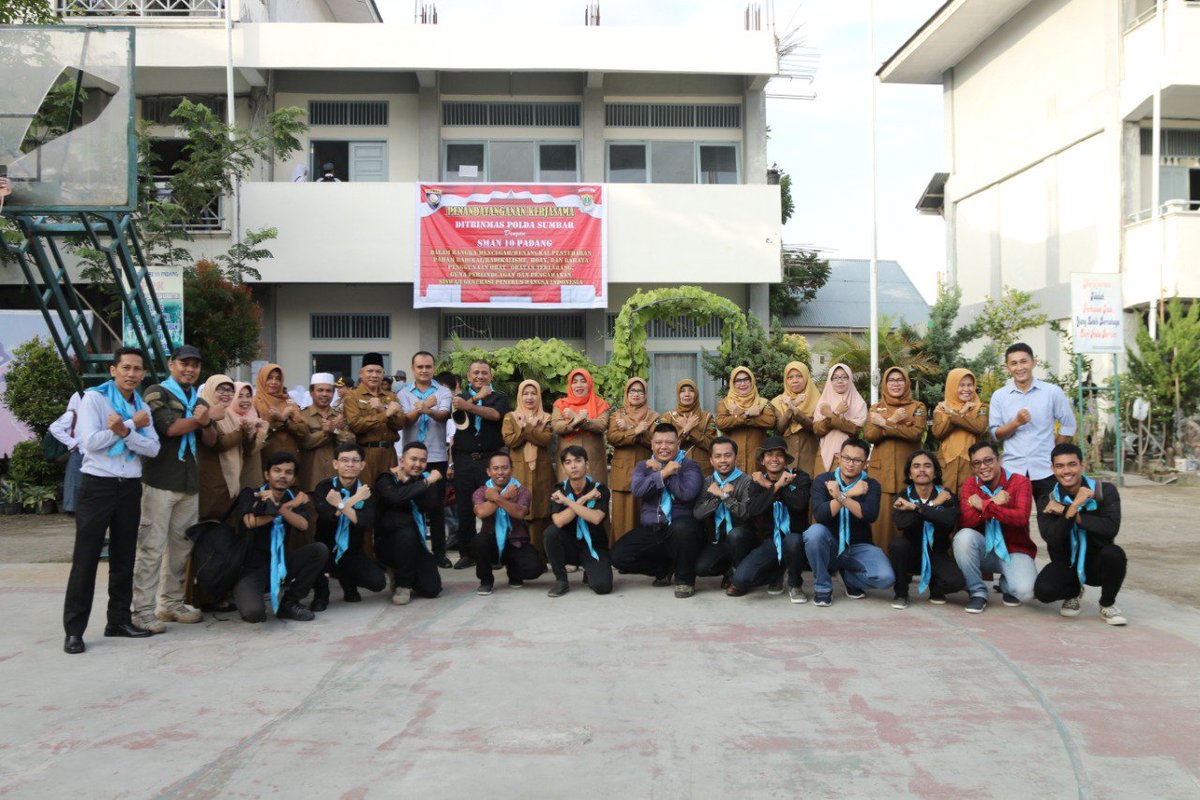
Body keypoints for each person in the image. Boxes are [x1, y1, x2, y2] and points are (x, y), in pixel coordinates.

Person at [62, 348, 161, 654]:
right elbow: (89, 443)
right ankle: (74, 631)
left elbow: (153, 448)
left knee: (123, 558)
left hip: (129, 487)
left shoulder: (142, 406)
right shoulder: (95, 398)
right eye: (126, 368)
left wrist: (124, 430)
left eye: (137, 369)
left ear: (144, 373)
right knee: (86, 559)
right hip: (98, 486)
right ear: (113, 369)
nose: (132, 374)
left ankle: (117, 621)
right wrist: (130, 426)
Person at [132, 344, 217, 633]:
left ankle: (171, 603)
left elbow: (210, 440)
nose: (190, 369)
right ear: (171, 364)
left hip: (189, 482)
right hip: (160, 480)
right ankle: (142, 610)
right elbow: (167, 428)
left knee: (181, 547)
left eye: (195, 364)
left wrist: (207, 423)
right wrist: (201, 419)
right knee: (151, 548)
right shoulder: (157, 391)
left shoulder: (197, 396)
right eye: (185, 363)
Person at [1033, 443, 1128, 625]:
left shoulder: (1104, 491)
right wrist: (1074, 506)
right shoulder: (1047, 499)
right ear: (1053, 469)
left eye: (1072, 464)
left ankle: (1107, 604)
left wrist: (1069, 512)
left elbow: (1109, 528)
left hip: (1097, 563)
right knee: (1043, 591)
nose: (1066, 471)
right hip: (1067, 564)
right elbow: (1051, 538)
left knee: (1115, 554)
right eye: (1060, 466)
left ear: (1082, 465)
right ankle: (1073, 592)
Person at [609, 423, 704, 598]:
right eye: (659, 442)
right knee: (618, 555)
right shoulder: (644, 466)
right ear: (652, 444)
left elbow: (687, 494)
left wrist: (668, 473)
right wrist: (662, 474)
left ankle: (685, 580)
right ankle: (664, 569)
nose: (663, 447)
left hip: (681, 529)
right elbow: (638, 490)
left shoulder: (691, 465)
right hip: (654, 528)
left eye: (669, 442)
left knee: (683, 529)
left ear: (678, 444)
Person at [232, 451, 327, 623]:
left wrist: (281, 508)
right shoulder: (251, 493)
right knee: (254, 614)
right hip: (251, 570)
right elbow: (251, 522)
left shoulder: (291, 497)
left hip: (280, 566)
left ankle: (290, 603)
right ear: (267, 474)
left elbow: (303, 525)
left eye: (288, 472)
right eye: (277, 471)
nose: (282, 476)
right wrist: (281, 508)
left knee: (319, 550)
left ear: (294, 478)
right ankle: (242, 592)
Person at [799, 437, 894, 607]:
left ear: (866, 463)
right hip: (830, 545)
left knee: (886, 578)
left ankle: (849, 578)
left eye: (857, 460)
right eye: (847, 458)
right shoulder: (823, 480)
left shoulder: (870, 485)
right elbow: (821, 515)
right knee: (814, 533)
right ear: (838, 457)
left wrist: (840, 495)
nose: (851, 464)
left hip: (859, 546)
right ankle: (822, 587)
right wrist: (849, 494)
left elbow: (869, 515)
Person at [953, 440, 1038, 613]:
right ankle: (977, 592)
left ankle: (1007, 583)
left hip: (1014, 550)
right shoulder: (970, 484)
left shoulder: (1020, 482)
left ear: (999, 460)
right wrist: (993, 502)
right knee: (963, 537)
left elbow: (1020, 518)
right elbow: (967, 521)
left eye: (988, 460)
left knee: (1026, 592)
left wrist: (984, 505)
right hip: (985, 550)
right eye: (977, 463)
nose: (983, 467)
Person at [726, 436, 812, 601]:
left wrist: (771, 485)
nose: (774, 459)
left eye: (779, 455)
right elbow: (753, 510)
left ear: (786, 460)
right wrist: (776, 486)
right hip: (770, 541)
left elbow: (799, 504)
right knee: (741, 579)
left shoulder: (799, 477)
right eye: (769, 454)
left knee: (793, 540)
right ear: (763, 460)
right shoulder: (756, 482)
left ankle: (795, 583)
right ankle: (776, 574)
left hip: (795, 539)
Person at [989, 343, 1076, 500]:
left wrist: (1055, 451)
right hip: (1012, 471)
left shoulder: (1052, 391)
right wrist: (1015, 423)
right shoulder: (999, 396)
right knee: (1014, 522)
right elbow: (995, 434)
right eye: (1014, 363)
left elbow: (1069, 424)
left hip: (1046, 469)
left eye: (1024, 361)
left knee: (1050, 520)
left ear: (1033, 362)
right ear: (1007, 367)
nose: (1019, 367)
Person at [309, 442, 386, 610]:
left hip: (352, 551)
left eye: (355, 460)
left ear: (362, 465)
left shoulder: (366, 491)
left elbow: (366, 523)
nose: (350, 465)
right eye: (344, 460)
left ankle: (346, 579)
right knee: (317, 557)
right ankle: (321, 594)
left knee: (378, 582)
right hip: (325, 549)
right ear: (335, 464)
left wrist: (340, 505)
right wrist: (354, 500)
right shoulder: (324, 487)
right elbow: (328, 517)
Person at [887, 449, 965, 609]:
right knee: (897, 545)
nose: (922, 470)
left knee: (957, 582)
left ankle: (936, 586)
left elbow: (948, 521)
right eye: (916, 466)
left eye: (927, 466)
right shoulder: (903, 496)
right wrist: (934, 505)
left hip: (937, 552)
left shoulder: (946, 495)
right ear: (910, 474)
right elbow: (903, 523)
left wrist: (915, 508)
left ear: (935, 472)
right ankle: (901, 593)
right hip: (910, 553)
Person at [452, 359, 511, 569]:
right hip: (464, 458)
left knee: (493, 504)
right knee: (465, 507)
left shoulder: (500, 397)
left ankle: (493, 552)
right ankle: (467, 553)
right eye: (475, 372)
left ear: (491, 376)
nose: (480, 376)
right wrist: (473, 400)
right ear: (468, 376)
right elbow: (454, 418)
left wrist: (470, 405)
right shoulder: (460, 397)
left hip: (490, 459)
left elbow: (495, 415)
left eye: (484, 372)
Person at [397, 352, 454, 568]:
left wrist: (425, 409)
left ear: (433, 369)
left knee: (436, 507)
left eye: (428, 366)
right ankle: (414, 548)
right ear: (413, 369)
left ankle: (439, 552)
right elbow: (403, 422)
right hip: (411, 458)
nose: (424, 370)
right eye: (420, 366)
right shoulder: (403, 393)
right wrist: (421, 407)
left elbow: (443, 415)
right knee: (411, 503)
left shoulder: (443, 392)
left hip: (436, 456)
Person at [864, 366, 926, 551]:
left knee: (906, 516)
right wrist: (894, 421)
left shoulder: (918, 406)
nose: (896, 384)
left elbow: (915, 433)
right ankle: (880, 563)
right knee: (881, 520)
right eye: (891, 380)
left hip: (906, 471)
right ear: (885, 383)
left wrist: (883, 423)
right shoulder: (875, 407)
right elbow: (870, 435)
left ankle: (906, 568)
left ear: (907, 382)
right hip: (880, 471)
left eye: (900, 380)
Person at [374, 441, 444, 605]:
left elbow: (428, 503)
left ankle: (405, 573)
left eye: (423, 460)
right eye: (413, 459)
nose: (418, 464)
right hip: (389, 543)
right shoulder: (386, 479)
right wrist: (426, 482)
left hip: (416, 544)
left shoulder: (426, 480)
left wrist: (408, 482)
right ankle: (403, 585)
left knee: (432, 589)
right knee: (405, 529)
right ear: (402, 460)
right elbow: (395, 497)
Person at [543, 445, 614, 597]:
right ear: (563, 467)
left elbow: (595, 518)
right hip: (569, 545)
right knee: (551, 533)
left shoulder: (599, 489)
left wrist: (567, 502)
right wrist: (584, 499)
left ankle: (590, 571)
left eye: (578, 461)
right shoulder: (559, 489)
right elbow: (559, 521)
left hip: (593, 546)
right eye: (568, 462)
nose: (573, 466)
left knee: (603, 587)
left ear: (587, 464)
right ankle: (561, 580)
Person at [472, 452, 545, 595]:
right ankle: (486, 581)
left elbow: (519, 513)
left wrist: (498, 498)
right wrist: (504, 496)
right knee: (479, 541)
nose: (500, 472)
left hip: (515, 541)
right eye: (496, 468)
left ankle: (514, 573)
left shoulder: (522, 491)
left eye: (505, 468)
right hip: (491, 541)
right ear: (488, 471)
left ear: (512, 470)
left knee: (535, 568)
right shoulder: (481, 492)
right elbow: (481, 512)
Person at [692, 437, 759, 586]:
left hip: (743, 538)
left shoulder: (747, 481)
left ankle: (738, 571)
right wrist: (717, 497)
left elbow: (746, 513)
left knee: (737, 535)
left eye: (728, 455)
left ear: (735, 457)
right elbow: (698, 513)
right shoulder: (707, 482)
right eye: (718, 456)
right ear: (711, 460)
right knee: (701, 568)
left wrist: (725, 496)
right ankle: (729, 568)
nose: (723, 460)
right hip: (719, 540)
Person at [502, 379, 554, 561]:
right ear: (519, 396)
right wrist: (527, 430)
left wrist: (526, 427)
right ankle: (521, 557)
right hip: (519, 468)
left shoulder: (547, 418)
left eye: (533, 393)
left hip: (542, 470)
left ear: (539, 396)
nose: (529, 397)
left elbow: (546, 440)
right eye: (525, 393)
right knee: (520, 508)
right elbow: (510, 441)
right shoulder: (510, 417)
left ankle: (543, 555)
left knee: (542, 510)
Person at [607, 377, 657, 543]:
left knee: (641, 513)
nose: (636, 394)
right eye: (632, 390)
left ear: (645, 394)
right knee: (620, 515)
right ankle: (619, 553)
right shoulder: (617, 414)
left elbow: (655, 442)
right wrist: (635, 430)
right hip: (621, 470)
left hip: (644, 470)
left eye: (640, 390)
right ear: (626, 393)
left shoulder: (653, 416)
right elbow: (613, 437)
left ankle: (638, 554)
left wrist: (633, 431)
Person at [343, 352, 405, 488]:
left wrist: (383, 410)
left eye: (378, 371)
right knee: (366, 496)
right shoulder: (351, 397)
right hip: (366, 454)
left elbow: (401, 424)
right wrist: (386, 414)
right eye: (369, 371)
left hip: (389, 453)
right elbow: (356, 425)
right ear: (361, 373)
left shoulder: (391, 396)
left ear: (383, 374)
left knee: (390, 496)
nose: (374, 375)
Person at [932, 368, 988, 492]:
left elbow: (980, 428)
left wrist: (951, 413)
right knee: (945, 505)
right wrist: (961, 412)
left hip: (971, 467)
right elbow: (939, 433)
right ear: (952, 386)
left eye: (970, 385)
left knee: (970, 505)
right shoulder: (941, 409)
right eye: (961, 385)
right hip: (946, 467)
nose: (966, 389)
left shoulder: (980, 407)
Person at [551, 367, 610, 484]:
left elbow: (601, 425)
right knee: (568, 498)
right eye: (575, 381)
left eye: (583, 381)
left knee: (594, 497)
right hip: (568, 462)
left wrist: (580, 419)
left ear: (589, 383)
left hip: (593, 462)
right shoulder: (561, 404)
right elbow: (557, 426)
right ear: (570, 385)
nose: (579, 385)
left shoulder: (600, 404)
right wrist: (576, 420)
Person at [197, 374, 243, 520]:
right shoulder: (204, 411)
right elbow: (219, 444)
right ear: (210, 389)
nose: (226, 394)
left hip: (226, 480)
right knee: (209, 523)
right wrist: (242, 431)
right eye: (221, 389)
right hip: (211, 480)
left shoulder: (229, 414)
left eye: (230, 390)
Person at [715, 366, 776, 474]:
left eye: (746, 379)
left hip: (756, 458)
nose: (742, 384)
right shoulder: (725, 403)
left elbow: (770, 421)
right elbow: (721, 423)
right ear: (732, 383)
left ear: (752, 381)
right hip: (733, 457)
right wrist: (748, 413)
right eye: (738, 380)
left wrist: (739, 414)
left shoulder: (762, 402)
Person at [297, 372, 352, 493]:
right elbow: (305, 442)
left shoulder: (340, 416)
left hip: (336, 478)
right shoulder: (302, 416)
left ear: (333, 393)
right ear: (311, 392)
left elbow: (351, 440)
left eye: (328, 391)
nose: (324, 394)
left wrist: (335, 430)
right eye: (320, 390)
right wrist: (326, 433)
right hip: (311, 477)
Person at [811, 363, 868, 475]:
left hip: (850, 458)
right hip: (824, 453)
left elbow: (854, 429)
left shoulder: (858, 402)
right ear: (830, 381)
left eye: (844, 377)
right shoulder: (823, 402)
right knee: (823, 487)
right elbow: (818, 430)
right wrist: (837, 412)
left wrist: (831, 415)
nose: (840, 381)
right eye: (835, 378)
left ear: (850, 379)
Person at [770, 361, 820, 488]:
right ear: (785, 380)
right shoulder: (777, 402)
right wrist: (791, 409)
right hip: (787, 456)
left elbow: (813, 427)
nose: (795, 380)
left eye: (799, 376)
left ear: (806, 378)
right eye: (790, 377)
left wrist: (795, 410)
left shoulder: (818, 400)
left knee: (810, 491)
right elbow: (779, 429)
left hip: (810, 454)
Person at [657, 378, 718, 478]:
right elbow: (666, 447)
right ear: (678, 394)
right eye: (682, 391)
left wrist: (692, 430)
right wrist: (686, 429)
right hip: (676, 472)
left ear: (696, 393)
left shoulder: (706, 417)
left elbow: (712, 446)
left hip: (703, 473)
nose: (687, 394)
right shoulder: (668, 417)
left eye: (691, 390)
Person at [253, 363, 307, 461]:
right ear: (262, 379)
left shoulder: (289, 401)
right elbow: (255, 433)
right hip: (266, 457)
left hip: (290, 456)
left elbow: (304, 430)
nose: (274, 382)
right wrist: (281, 418)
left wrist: (284, 420)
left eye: (278, 379)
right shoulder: (255, 402)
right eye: (269, 378)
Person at [49, 392, 84, 514]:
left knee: (79, 481)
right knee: (74, 481)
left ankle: (77, 508)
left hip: (85, 451)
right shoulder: (72, 415)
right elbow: (54, 428)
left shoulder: (87, 415)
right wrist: (72, 443)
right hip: (77, 451)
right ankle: (72, 508)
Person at [230, 382, 269, 488]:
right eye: (240, 396)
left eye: (248, 396)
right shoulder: (228, 419)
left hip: (254, 472)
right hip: (239, 474)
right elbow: (249, 451)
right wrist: (262, 433)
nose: (245, 400)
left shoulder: (253, 414)